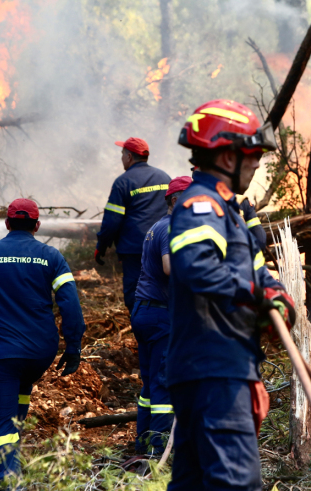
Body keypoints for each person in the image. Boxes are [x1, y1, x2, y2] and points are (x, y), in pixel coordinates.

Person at [166, 99, 296, 491]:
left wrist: (275, 295)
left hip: (213, 368)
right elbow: (195, 267)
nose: (257, 163)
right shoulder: (202, 206)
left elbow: (252, 271)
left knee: (194, 484)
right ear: (226, 155)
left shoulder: (230, 212)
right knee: (236, 483)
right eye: (252, 154)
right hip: (216, 370)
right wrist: (254, 294)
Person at [0, 198, 86, 485]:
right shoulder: (51, 256)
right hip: (41, 352)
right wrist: (73, 346)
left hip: (4, 353)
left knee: (2, 418)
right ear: (37, 226)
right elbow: (70, 304)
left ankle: (9, 478)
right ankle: (14, 457)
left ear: (7, 223)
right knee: (19, 395)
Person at [131, 175, 192, 456]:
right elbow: (170, 268)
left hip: (145, 312)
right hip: (159, 316)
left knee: (149, 383)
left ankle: (142, 442)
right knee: (163, 384)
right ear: (176, 200)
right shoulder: (171, 228)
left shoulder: (157, 227)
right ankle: (157, 451)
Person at [95, 137, 171, 312]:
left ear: (129, 157)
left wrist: (102, 246)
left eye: (122, 154)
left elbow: (112, 221)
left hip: (135, 250)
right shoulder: (165, 177)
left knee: (137, 296)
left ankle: (143, 333)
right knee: (165, 290)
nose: (121, 158)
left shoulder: (123, 182)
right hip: (163, 247)